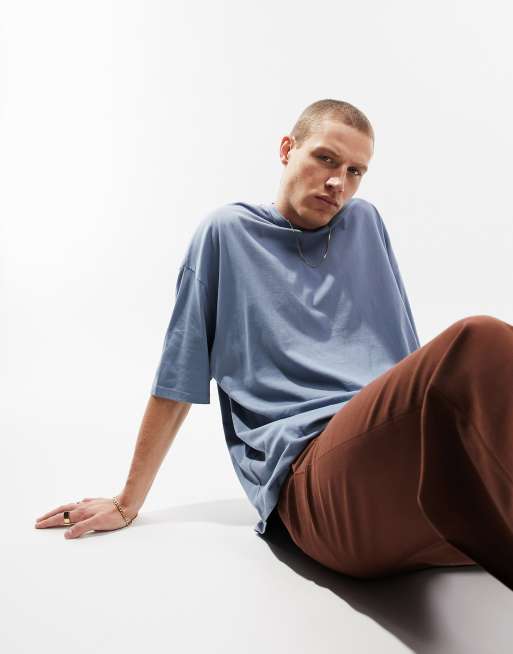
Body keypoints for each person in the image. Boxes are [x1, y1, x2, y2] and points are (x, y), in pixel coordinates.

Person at [34, 99, 513, 592]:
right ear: (287, 149)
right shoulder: (227, 234)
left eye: (355, 171)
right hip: (316, 485)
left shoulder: (365, 225)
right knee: (481, 339)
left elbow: (407, 361)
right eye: (326, 159)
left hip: (397, 479)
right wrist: (127, 500)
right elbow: (178, 376)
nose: (338, 182)